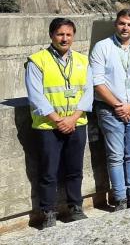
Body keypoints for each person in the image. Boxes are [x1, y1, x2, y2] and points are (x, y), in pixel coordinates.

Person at [25, 18, 93, 228]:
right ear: (51, 35)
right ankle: (48, 212)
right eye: (60, 34)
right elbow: (36, 96)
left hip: (76, 123)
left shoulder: (82, 60)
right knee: (48, 172)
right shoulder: (37, 60)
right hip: (48, 127)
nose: (65, 38)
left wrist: (72, 119)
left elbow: (88, 92)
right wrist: (58, 120)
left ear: (73, 36)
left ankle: (75, 207)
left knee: (75, 170)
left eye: (69, 34)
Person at [91, 9, 130, 211]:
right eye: (122, 23)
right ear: (116, 24)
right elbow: (97, 83)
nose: (125, 27)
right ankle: (120, 198)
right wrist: (118, 105)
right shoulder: (102, 47)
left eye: (129, 24)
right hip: (109, 110)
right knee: (115, 155)